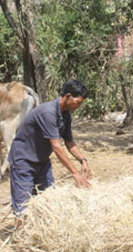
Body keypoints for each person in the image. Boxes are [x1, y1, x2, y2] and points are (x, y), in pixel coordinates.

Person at [8, 79, 91, 228]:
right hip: (24, 161)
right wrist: (75, 173)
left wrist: (82, 160)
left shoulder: (65, 115)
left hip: (42, 161)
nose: (79, 106)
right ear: (68, 96)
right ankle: (20, 238)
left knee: (48, 199)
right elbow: (57, 147)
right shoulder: (48, 112)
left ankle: (41, 232)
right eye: (78, 102)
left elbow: (69, 142)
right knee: (23, 205)